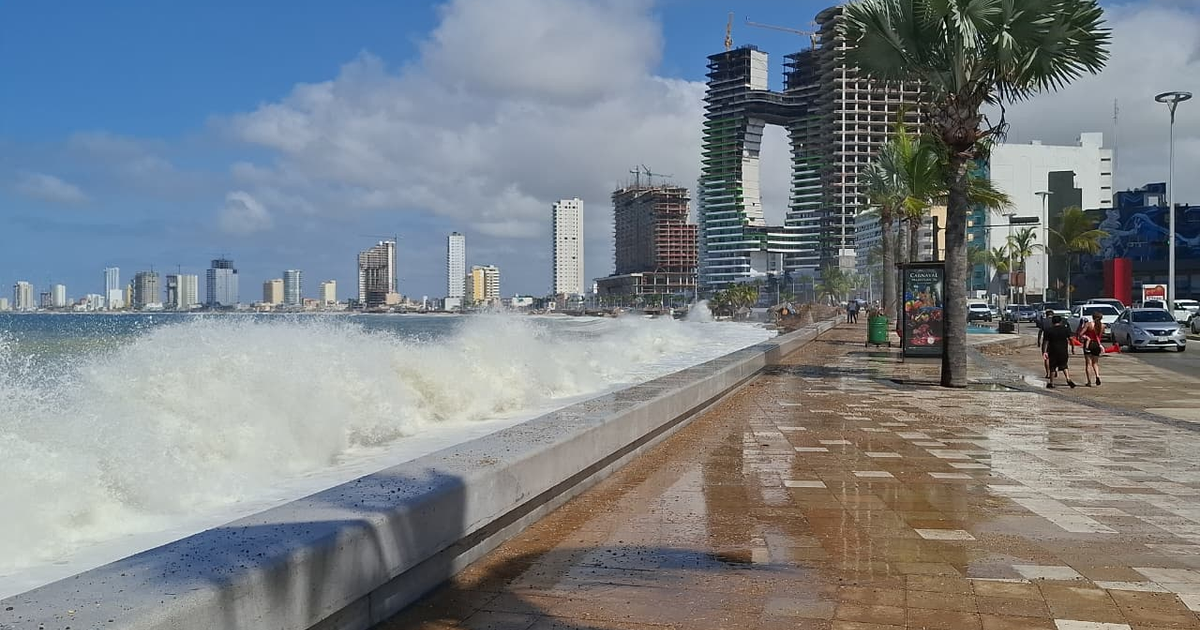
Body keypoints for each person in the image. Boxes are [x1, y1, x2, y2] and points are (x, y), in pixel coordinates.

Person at [1042, 315, 1077, 389]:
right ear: (1060, 321)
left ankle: (1051, 383)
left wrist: (1044, 352)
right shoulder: (1065, 329)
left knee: (1052, 367)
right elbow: (1071, 339)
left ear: (1052, 322)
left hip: (1053, 350)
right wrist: (1073, 348)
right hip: (1063, 350)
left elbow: (1046, 342)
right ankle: (1068, 378)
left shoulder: (1048, 330)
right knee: (1064, 365)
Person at [1079, 311, 1104, 386]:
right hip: (1097, 345)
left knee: (1088, 364)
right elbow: (1100, 336)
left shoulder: (1088, 324)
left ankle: (1089, 381)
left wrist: (1085, 337)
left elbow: (1081, 334)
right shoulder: (1102, 326)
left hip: (1089, 344)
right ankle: (1097, 376)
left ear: (1093, 317)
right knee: (1095, 363)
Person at [1037, 309, 1054, 378]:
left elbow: (1040, 331)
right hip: (1054, 341)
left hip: (1046, 342)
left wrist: (1038, 340)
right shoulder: (1055, 321)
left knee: (1046, 357)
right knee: (1054, 358)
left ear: (1046, 315)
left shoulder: (1043, 321)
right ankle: (1053, 371)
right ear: (1052, 315)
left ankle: (1048, 373)